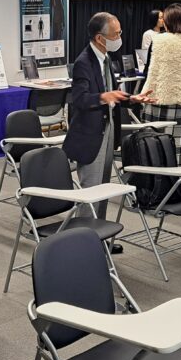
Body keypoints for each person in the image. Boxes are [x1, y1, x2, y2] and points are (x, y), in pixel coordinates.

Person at [64, 12, 154, 228]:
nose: (119, 38)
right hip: (91, 135)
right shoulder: (84, 62)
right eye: (116, 34)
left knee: (104, 187)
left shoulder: (105, 59)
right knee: (92, 190)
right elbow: (80, 99)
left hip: (108, 128)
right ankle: (84, 237)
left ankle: (99, 234)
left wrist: (132, 98)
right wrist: (104, 97)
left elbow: (112, 92)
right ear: (99, 38)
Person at [140, 4, 181, 166]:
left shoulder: (158, 40)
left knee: (156, 146)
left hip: (157, 98)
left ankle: (156, 176)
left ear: (166, 22)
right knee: (180, 147)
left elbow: (148, 70)